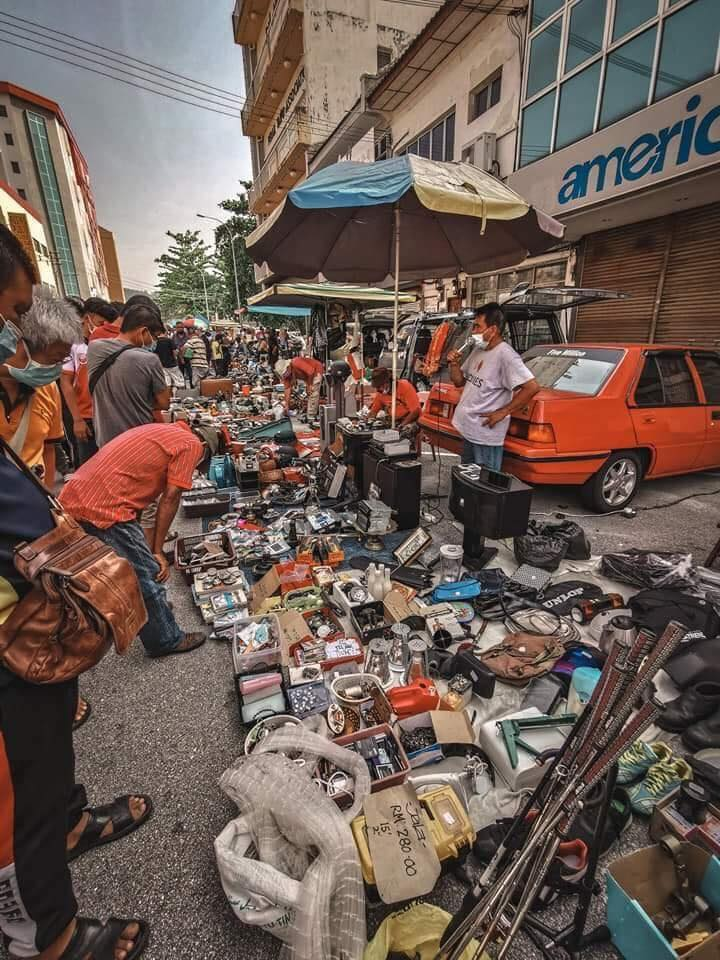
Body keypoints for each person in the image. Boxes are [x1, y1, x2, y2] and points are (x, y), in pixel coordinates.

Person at [0, 245, 150, 960]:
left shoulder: (28, 393)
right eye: (10, 315)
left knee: (51, 756)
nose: (17, 341)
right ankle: (50, 937)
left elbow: (37, 486)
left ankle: (69, 822)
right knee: (19, 793)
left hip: (31, 613)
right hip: (9, 632)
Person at [59, 421, 209, 658]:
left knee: (118, 570)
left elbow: (136, 482)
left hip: (78, 495)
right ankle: (165, 639)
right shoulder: (191, 445)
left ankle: (149, 616)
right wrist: (157, 550)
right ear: (204, 446)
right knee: (145, 575)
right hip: (105, 506)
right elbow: (171, 497)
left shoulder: (164, 432)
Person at [0, 291, 82, 486]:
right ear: (20, 345)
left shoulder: (48, 390)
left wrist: (46, 497)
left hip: (29, 503)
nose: (57, 368)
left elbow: (48, 447)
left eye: (62, 360)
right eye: (54, 359)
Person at [447, 302, 539, 469]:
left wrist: (503, 412)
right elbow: (459, 381)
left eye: (477, 327)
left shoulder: (506, 356)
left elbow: (532, 387)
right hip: (468, 429)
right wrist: (454, 364)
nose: (473, 332)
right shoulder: (478, 350)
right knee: (467, 478)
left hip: (485, 435)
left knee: (485, 483)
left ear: (493, 330)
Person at [87, 299, 170, 448]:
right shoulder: (150, 360)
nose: (154, 342)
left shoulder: (94, 348)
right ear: (143, 331)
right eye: (154, 337)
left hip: (106, 442)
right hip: (139, 441)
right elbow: (164, 403)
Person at [60, 299, 98, 466]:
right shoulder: (71, 346)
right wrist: (77, 419)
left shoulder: (99, 341)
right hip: (85, 416)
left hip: (106, 413)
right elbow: (66, 383)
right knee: (87, 467)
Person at [369, 366, 421, 441]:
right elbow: (373, 411)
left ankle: (406, 450)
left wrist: (401, 425)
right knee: (378, 429)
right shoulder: (380, 393)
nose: (378, 389)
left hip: (411, 420)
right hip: (394, 420)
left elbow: (416, 411)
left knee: (403, 433)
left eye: (379, 386)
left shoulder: (405, 386)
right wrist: (366, 421)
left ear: (387, 382)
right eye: (377, 387)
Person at [282, 355, 324, 420]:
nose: (287, 375)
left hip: (316, 370)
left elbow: (311, 371)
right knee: (308, 393)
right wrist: (286, 405)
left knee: (313, 392)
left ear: (288, 367)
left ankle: (311, 416)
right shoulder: (286, 376)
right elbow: (287, 388)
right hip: (307, 376)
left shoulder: (296, 362)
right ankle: (310, 411)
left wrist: (309, 385)